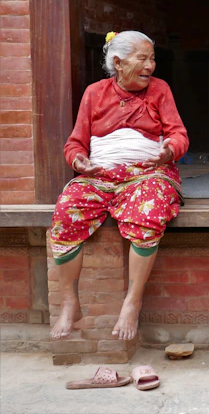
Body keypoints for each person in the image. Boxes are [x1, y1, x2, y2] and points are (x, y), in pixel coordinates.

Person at [49, 31, 188, 341]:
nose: (150, 65)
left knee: (148, 211)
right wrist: (80, 163)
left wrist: (170, 150)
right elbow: (75, 143)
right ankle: (70, 301)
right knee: (66, 209)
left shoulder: (159, 90)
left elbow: (178, 134)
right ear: (117, 62)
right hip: (99, 175)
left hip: (147, 174)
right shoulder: (94, 93)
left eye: (152, 58)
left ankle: (132, 301)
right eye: (143, 58)